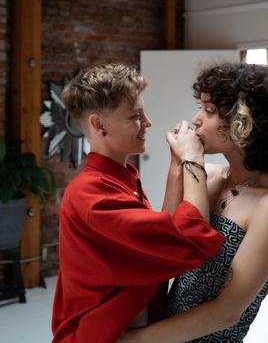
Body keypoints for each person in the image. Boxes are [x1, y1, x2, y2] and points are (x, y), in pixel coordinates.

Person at [51, 62, 224, 343]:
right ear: (98, 124)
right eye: (136, 116)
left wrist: (177, 163)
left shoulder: (123, 176)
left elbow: (160, 239)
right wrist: (193, 160)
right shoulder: (92, 196)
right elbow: (188, 242)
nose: (148, 122)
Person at [118, 61, 268, 343]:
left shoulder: (265, 206)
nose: (196, 119)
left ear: (244, 122)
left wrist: (134, 340)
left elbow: (227, 312)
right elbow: (163, 247)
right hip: (164, 329)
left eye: (209, 110)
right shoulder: (206, 175)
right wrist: (180, 162)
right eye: (200, 106)